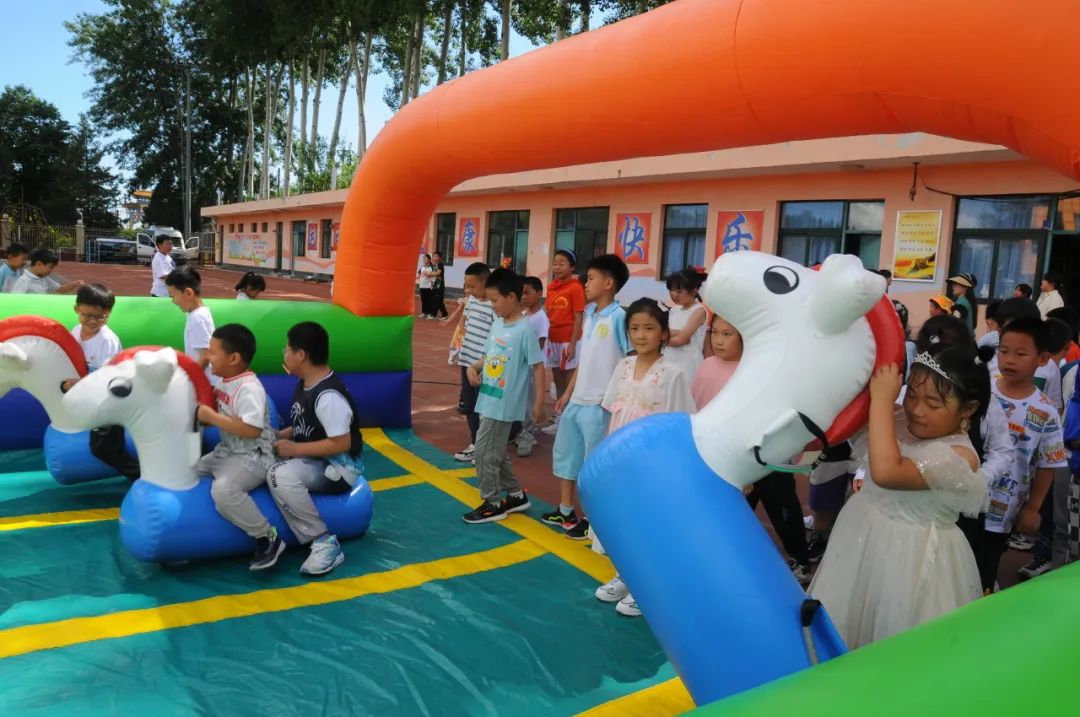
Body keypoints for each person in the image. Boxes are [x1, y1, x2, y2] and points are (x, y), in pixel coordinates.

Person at [810, 348, 988, 648]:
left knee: (900, 645)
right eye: (912, 396)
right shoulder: (897, 418)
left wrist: (880, 401)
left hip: (913, 560)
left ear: (968, 409)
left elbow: (888, 472)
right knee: (845, 628)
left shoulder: (960, 456)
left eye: (933, 403)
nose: (916, 409)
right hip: (860, 539)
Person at [594, 297, 695, 616]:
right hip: (619, 460)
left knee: (647, 523)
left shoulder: (673, 373)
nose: (640, 335)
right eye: (634, 328)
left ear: (664, 333)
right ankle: (626, 576)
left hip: (651, 464)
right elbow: (612, 410)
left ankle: (648, 586)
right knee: (620, 521)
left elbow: (679, 423)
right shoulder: (623, 367)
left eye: (649, 328)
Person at [542, 254, 630, 540]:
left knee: (594, 465)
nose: (585, 283)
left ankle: (594, 519)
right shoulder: (591, 317)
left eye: (591, 279)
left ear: (608, 283)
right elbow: (585, 360)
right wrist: (566, 392)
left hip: (599, 404)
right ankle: (566, 511)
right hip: (577, 400)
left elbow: (629, 359)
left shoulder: (619, 317)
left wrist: (619, 400)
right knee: (567, 456)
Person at [268, 322, 365, 576]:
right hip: (316, 459)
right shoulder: (306, 382)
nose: (284, 353)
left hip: (338, 467)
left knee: (279, 474)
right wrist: (280, 436)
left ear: (301, 355)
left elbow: (341, 443)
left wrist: (293, 450)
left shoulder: (328, 396)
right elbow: (305, 424)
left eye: (287, 349)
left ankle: (323, 541)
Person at [980, 318, 1067, 586]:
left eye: (1020, 353)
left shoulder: (1045, 410)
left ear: (1042, 359)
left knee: (986, 564)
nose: (1009, 360)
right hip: (965, 497)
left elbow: (1048, 464)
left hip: (1004, 509)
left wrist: (1032, 508)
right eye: (1004, 351)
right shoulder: (983, 391)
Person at [195, 324, 282, 570]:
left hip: (254, 456)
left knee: (224, 491)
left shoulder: (248, 388)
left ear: (233, 358)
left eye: (212, 352)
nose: (207, 356)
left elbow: (252, 430)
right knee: (187, 473)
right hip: (228, 451)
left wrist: (211, 417)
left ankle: (267, 537)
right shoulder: (225, 381)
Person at [461, 269, 545, 524]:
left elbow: (538, 366)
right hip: (488, 397)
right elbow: (489, 356)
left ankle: (493, 502)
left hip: (504, 404)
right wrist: (473, 367)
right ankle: (516, 495)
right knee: (496, 451)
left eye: (495, 300)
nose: (492, 306)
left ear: (511, 297)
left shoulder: (524, 330)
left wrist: (539, 403)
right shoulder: (497, 324)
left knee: (484, 453)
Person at [60, 284, 140, 482]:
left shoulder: (107, 340)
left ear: (109, 313)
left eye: (100, 316)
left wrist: (79, 383)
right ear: (76, 309)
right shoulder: (76, 330)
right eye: (87, 315)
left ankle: (142, 477)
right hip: (91, 397)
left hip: (111, 398)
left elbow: (106, 377)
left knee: (104, 448)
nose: (93, 321)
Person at [453, 262, 496, 463]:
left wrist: (483, 365)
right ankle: (475, 443)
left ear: (485, 282)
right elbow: (465, 324)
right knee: (469, 405)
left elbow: (496, 338)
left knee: (484, 407)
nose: (468, 290)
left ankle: (486, 447)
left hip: (483, 366)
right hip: (466, 362)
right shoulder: (471, 301)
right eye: (466, 285)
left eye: (472, 286)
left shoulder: (494, 306)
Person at [542, 249, 586, 436]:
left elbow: (578, 317)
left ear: (572, 267)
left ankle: (570, 421)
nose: (557, 267)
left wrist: (573, 344)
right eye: (555, 263)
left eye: (562, 263)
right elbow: (545, 311)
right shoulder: (552, 287)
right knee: (558, 381)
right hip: (553, 339)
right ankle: (560, 417)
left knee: (570, 383)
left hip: (568, 341)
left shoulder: (575, 288)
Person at [165, 265, 216, 385]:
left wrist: (191, 379)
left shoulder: (198, 318)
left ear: (188, 293)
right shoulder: (194, 314)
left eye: (173, 296)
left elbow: (206, 354)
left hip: (206, 383)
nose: (173, 301)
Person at [516, 276, 550, 457]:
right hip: (521, 365)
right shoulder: (522, 315)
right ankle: (522, 429)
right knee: (521, 398)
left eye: (527, 293)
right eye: (521, 293)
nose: (523, 297)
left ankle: (528, 433)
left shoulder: (541, 317)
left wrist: (528, 357)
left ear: (539, 294)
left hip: (531, 365)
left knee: (529, 399)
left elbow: (541, 342)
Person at [664, 267, 709, 380]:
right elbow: (673, 335)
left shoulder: (698, 311)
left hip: (687, 364)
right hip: (669, 360)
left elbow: (681, 340)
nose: (674, 294)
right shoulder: (674, 310)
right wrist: (676, 333)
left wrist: (659, 338)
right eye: (672, 290)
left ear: (694, 291)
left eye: (679, 291)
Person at [691, 312, 741, 411]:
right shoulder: (706, 364)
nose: (718, 341)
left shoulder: (748, 368)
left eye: (727, 334)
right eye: (714, 332)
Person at [9, 249, 82, 294]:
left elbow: (61, 289)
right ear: (39, 264)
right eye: (50, 267)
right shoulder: (24, 280)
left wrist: (75, 284)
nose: (51, 271)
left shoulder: (44, 278)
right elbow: (14, 301)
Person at [430, 251, 449, 318]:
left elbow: (438, 273)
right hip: (434, 284)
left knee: (439, 300)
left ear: (440, 258)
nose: (435, 258)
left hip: (440, 285)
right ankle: (433, 314)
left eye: (436, 256)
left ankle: (445, 314)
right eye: (434, 256)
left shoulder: (440, 264)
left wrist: (428, 274)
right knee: (434, 299)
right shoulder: (433, 265)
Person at [417, 254, 436, 318]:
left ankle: (429, 313)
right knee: (423, 300)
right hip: (422, 286)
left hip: (429, 286)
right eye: (424, 259)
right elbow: (419, 275)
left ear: (429, 260)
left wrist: (429, 276)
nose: (424, 260)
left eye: (426, 258)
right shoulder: (422, 267)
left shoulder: (432, 267)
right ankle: (424, 312)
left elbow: (434, 276)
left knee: (429, 300)